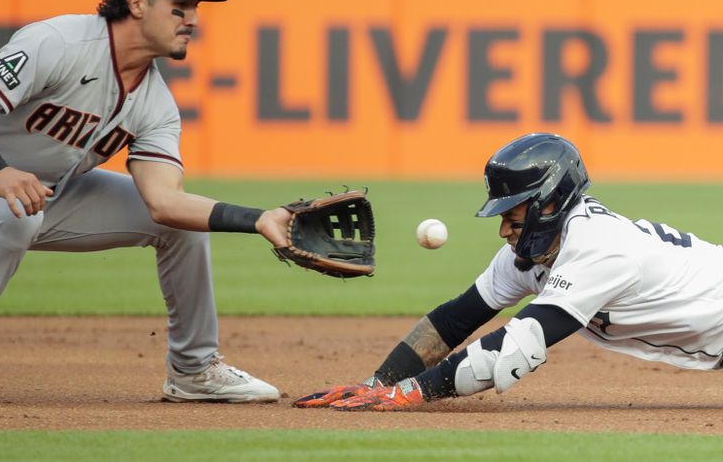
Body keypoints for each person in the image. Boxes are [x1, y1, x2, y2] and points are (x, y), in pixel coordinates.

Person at [0, 0, 292, 408]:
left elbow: (165, 202)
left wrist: (258, 219)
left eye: (195, 9)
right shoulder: (61, 41)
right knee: (13, 211)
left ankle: (194, 370)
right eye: (179, 7)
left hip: (43, 197)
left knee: (182, 225)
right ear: (137, 3)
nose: (192, 20)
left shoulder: (155, 103)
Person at [294, 132, 723, 411]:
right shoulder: (532, 248)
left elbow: (517, 347)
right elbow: (456, 319)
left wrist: (411, 392)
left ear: (550, 204)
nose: (503, 230)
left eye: (513, 216)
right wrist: (378, 381)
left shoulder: (600, 248)